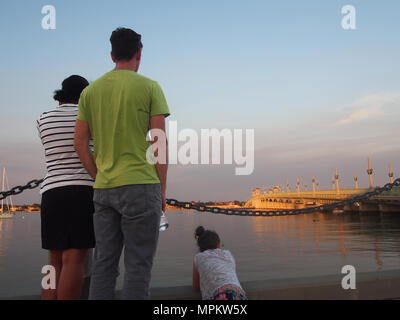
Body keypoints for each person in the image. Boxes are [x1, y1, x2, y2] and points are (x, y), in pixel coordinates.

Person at [74, 27, 170, 300]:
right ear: (139, 53)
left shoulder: (90, 93)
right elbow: (159, 143)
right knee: (138, 267)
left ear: (112, 55)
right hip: (141, 185)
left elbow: (79, 144)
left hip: (104, 189)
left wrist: (99, 176)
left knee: (104, 265)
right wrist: (161, 190)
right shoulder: (150, 87)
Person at [37, 75, 95, 300]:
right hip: (81, 191)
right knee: (74, 259)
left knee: (53, 260)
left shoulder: (43, 118)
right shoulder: (88, 117)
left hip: (51, 192)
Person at [193, 226, 247, 300]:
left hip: (219, 295)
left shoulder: (198, 257)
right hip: (238, 294)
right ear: (218, 244)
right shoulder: (228, 254)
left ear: (200, 247)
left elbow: (196, 287)